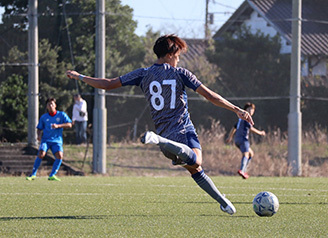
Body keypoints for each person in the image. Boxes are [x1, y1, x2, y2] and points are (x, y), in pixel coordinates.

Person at [66, 34, 254, 215]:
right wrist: (236, 109)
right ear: (171, 54)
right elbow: (209, 95)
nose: (179, 61)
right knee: (197, 161)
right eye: (178, 56)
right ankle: (160, 141)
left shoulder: (143, 74)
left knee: (195, 169)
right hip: (183, 129)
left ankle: (223, 203)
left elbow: (107, 84)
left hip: (165, 135)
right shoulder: (181, 73)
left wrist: (79, 76)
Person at [26, 98, 72, 181]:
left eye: (52, 104)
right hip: (46, 140)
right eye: (49, 104)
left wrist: (58, 126)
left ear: (55, 105)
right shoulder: (44, 117)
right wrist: (39, 135)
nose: (50, 106)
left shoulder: (61, 115)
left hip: (57, 141)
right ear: (47, 106)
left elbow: (69, 124)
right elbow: (39, 128)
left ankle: (52, 175)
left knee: (60, 156)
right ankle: (33, 174)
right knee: (41, 153)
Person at [226, 102, 266, 179]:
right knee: (246, 154)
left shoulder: (240, 119)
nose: (251, 111)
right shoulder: (246, 118)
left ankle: (244, 170)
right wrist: (260, 133)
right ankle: (242, 170)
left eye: (252, 110)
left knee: (251, 154)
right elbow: (251, 128)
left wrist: (230, 137)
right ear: (245, 110)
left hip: (237, 140)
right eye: (249, 109)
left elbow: (234, 127)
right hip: (243, 139)